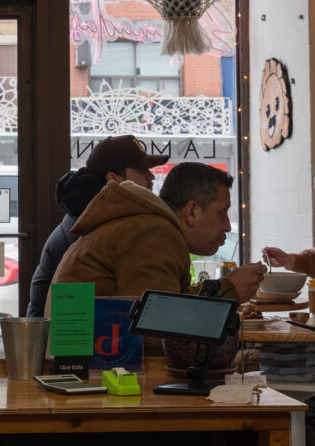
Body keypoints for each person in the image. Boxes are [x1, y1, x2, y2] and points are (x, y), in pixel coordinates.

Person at [44, 161, 266, 316]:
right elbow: (157, 327)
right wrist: (229, 290)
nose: (227, 226)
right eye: (223, 211)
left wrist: (222, 288)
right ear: (192, 211)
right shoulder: (154, 232)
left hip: (89, 365)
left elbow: (164, 303)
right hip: (89, 373)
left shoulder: (148, 225)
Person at [26, 135, 168, 316]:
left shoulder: (92, 215)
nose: (151, 176)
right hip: (64, 339)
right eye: (141, 170)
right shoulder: (92, 226)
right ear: (113, 179)